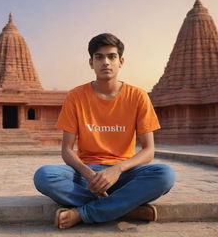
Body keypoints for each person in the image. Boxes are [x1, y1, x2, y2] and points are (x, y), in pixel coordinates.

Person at [34, 33, 175, 229]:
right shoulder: (76, 96)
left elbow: (148, 150)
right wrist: (90, 175)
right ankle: (126, 207)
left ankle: (86, 213)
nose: (106, 62)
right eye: (99, 57)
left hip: (124, 173)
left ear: (121, 61)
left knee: (165, 174)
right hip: (87, 174)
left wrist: (116, 170)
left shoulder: (138, 96)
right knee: (44, 176)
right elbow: (66, 150)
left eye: (111, 56)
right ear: (91, 63)